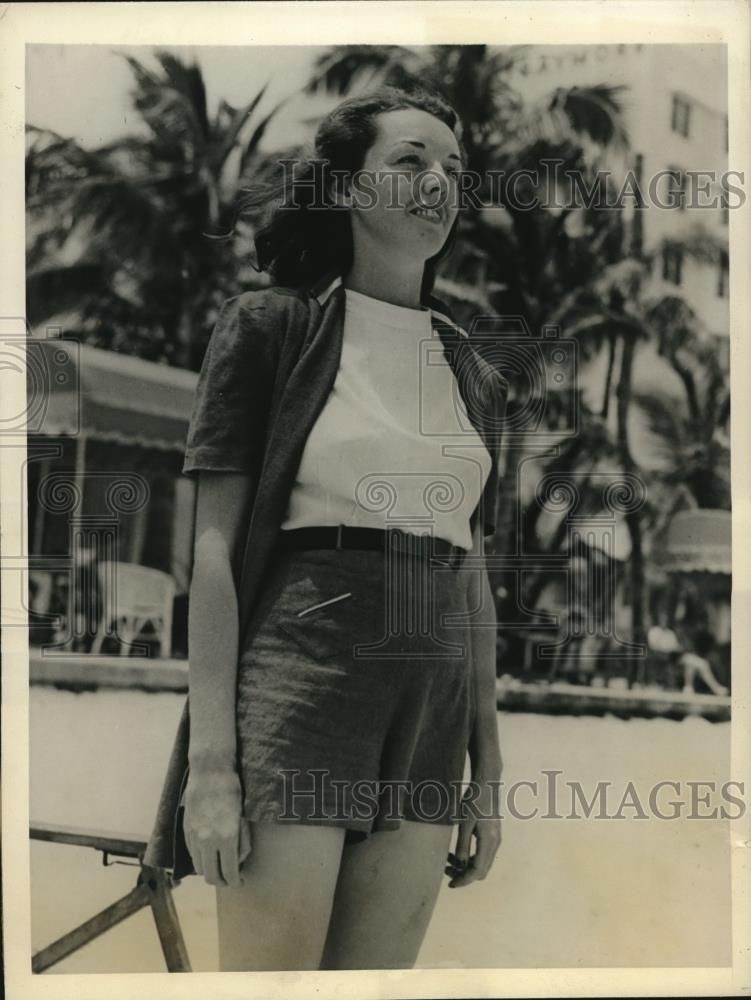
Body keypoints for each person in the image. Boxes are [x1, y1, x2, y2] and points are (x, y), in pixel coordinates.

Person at [143, 86, 510, 971]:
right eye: (409, 161)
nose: (438, 182)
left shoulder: (469, 365)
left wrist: (487, 775)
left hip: (428, 707)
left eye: (453, 169)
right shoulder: (272, 325)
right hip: (301, 683)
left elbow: (470, 571)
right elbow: (214, 552)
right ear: (346, 189)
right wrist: (215, 768)